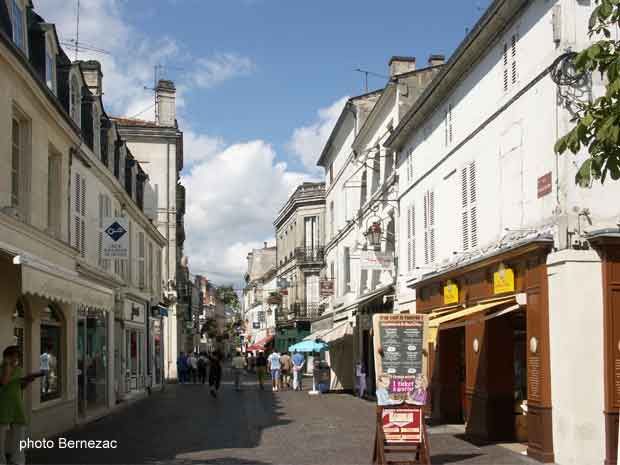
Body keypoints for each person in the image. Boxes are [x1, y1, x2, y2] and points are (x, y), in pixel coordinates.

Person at [1, 346, 41, 465]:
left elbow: (20, 386)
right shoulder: (2, 368)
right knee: (1, 435)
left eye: (17, 356)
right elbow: (4, 382)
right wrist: (7, 366)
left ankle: (18, 460)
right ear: (7, 357)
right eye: (14, 356)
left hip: (16, 404)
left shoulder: (19, 369)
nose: (16, 358)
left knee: (20, 431)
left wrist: (28, 380)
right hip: (3, 404)